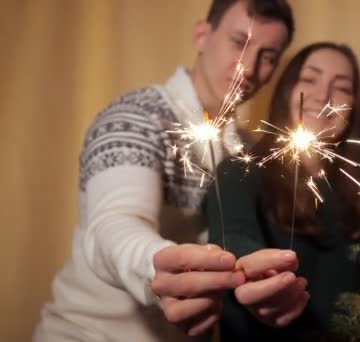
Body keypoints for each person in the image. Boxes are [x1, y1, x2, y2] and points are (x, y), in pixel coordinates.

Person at [34, 1, 306, 341]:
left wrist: (264, 287)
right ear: (201, 36)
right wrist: (157, 267)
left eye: (268, 56)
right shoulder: (136, 117)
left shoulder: (247, 153)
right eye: (240, 42)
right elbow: (114, 222)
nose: (249, 68)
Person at [206, 42, 360, 341]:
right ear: (286, 91)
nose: (323, 96)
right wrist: (257, 275)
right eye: (309, 79)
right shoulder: (238, 174)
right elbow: (233, 239)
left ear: (353, 108)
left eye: (342, 88)